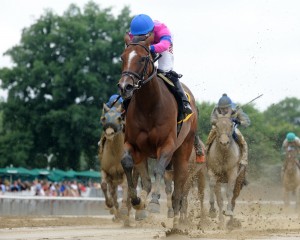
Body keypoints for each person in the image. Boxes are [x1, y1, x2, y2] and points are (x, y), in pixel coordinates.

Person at [129, 14, 192, 114]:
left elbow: (164, 45)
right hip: (144, 48)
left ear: (151, 31)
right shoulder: (132, 35)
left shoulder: (162, 31)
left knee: (166, 70)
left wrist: (150, 48)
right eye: (138, 37)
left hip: (162, 44)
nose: (140, 39)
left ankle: (184, 102)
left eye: (143, 36)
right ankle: (126, 102)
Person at [206, 93, 251, 170]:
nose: (224, 110)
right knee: (208, 140)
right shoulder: (216, 109)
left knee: (243, 142)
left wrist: (238, 121)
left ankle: (244, 160)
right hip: (218, 129)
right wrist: (221, 120)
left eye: (226, 108)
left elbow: (246, 122)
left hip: (232, 129)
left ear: (230, 106)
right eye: (222, 109)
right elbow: (212, 120)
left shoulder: (236, 109)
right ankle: (205, 156)